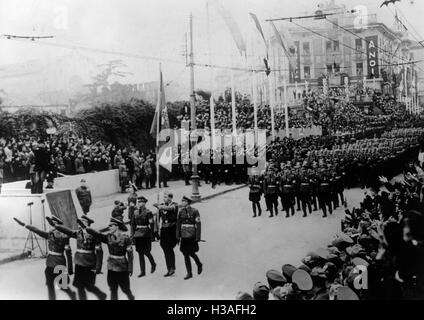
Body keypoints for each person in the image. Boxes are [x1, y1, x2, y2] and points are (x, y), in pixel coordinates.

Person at [13, 216, 76, 300]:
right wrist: (24, 224)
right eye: (52, 225)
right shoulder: (49, 235)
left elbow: (68, 254)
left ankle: (72, 295)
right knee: (50, 286)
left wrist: (70, 269)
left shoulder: (64, 237)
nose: (53, 228)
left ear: (60, 227)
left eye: (55, 225)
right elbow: (36, 230)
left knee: (63, 286)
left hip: (60, 264)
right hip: (50, 264)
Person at [80, 217, 135, 300]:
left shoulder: (126, 238)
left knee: (125, 289)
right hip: (111, 267)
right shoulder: (108, 237)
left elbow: (130, 255)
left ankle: (131, 297)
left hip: (122, 267)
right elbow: (97, 234)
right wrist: (85, 227)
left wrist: (130, 268)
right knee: (113, 289)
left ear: (117, 226)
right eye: (109, 226)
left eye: (111, 226)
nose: (109, 227)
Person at [53, 215, 106, 300]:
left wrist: (98, 267)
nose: (81, 224)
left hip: (89, 263)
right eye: (80, 222)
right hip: (79, 263)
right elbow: (67, 231)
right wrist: (56, 226)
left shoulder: (94, 235)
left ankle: (101, 295)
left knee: (89, 286)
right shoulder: (78, 233)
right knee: (79, 286)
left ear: (88, 224)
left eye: (83, 222)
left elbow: (99, 252)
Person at [176, 196, 203, 280]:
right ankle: (189, 272)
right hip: (184, 235)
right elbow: (178, 224)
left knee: (191, 252)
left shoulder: (195, 211)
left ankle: (198, 264)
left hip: (191, 235)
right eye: (182, 201)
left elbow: (198, 224)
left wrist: (198, 236)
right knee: (185, 253)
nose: (182, 202)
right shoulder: (181, 211)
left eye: (184, 201)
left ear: (188, 202)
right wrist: (177, 236)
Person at [130, 196, 157, 278]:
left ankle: (153, 263)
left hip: (146, 234)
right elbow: (132, 225)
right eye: (138, 202)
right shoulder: (135, 212)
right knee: (140, 253)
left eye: (141, 202)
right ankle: (142, 271)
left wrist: (153, 236)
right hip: (138, 234)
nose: (139, 203)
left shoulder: (148, 212)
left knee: (146, 251)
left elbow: (152, 225)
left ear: (144, 203)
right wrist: (132, 236)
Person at [153, 191, 178, 277]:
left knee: (169, 248)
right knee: (164, 247)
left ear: (171, 198)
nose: (164, 198)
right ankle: (169, 268)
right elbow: (157, 219)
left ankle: (172, 268)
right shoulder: (161, 206)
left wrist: (159, 206)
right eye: (163, 197)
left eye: (166, 197)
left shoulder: (175, 205)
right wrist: (156, 231)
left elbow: (170, 208)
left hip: (172, 230)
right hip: (164, 229)